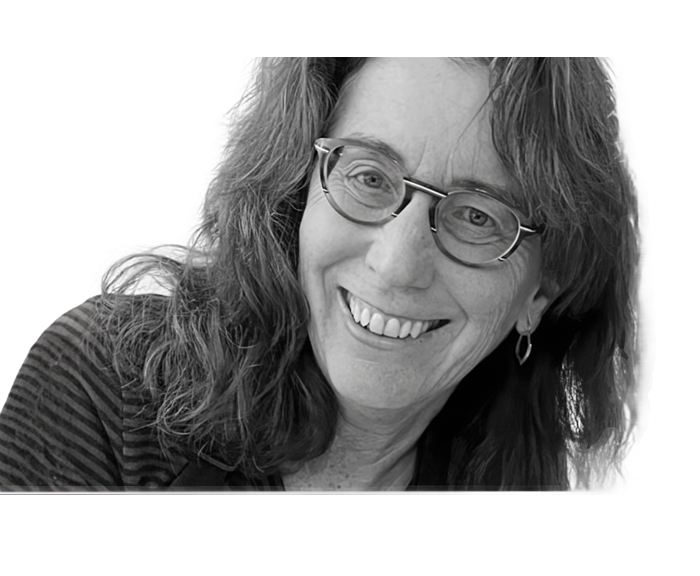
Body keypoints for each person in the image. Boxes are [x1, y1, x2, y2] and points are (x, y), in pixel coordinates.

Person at [0, 57, 651, 492]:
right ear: (299, 190)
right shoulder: (104, 385)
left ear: (543, 290)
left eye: (479, 217)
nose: (395, 266)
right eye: (369, 177)